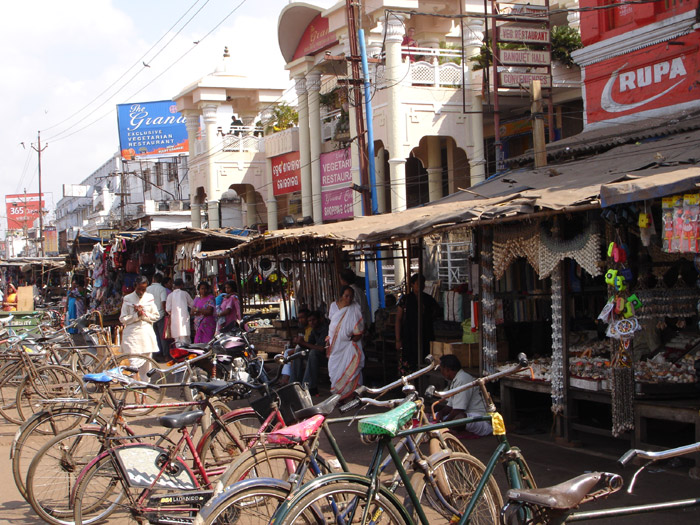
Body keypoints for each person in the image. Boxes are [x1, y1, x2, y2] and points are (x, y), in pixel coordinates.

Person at [435, 354, 492, 437]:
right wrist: (441, 413)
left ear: (447, 369)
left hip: (480, 418)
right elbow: (450, 406)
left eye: (442, 369)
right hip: (468, 415)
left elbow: (458, 410)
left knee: (459, 418)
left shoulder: (463, 379)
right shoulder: (456, 380)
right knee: (438, 415)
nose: (441, 372)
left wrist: (443, 424)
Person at [395, 273, 441, 373]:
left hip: (426, 335)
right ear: (412, 284)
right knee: (409, 362)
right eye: (418, 283)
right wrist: (398, 339)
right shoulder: (405, 300)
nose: (421, 286)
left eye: (423, 283)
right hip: (409, 336)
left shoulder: (428, 299)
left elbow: (437, 312)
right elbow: (398, 319)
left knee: (426, 360)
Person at [326, 286, 364, 399]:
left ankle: (355, 395)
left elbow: (360, 328)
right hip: (335, 345)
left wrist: (353, 339)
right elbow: (332, 323)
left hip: (351, 343)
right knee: (334, 368)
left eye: (351, 296)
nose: (349, 299)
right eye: (346, 296)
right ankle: (339, 396)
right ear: (341, 296)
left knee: (354, 367)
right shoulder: (333, 306)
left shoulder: (355, 307)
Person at [119, 276, 160, 375]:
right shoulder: (128, 299)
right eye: (139, 289)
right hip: (132, 335)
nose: (141, 292)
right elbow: (122, 319)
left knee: (146, 366)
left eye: (144, 289)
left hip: (146, 335)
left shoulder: (149, 297)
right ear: (134, 286)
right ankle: (132, 385)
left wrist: (144, 314)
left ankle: (144, 387)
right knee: (133, 363)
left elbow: (156, 316)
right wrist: (136, 315)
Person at [279, 308, 311, 386]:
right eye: (299, 318)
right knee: (287, 352)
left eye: (302, 318)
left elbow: (309, 345)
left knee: (292, 354)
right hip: (303, 348)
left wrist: (299, 344)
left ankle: (290, 379)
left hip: (307, 351)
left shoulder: (311, 329)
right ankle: (286, 377)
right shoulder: (305, 329)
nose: (300, 320)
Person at [301, 310, 330, 396]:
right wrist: (300, 343)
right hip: (318, 357)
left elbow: (322, 349)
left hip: (328, 358)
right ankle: (295, 382)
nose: (311, 322)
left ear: (320, 319)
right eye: (309, 321)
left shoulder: (325, 329)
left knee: (313, 354)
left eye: (314, 320)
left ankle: (310, 387)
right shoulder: (314, 330)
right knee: (299, 351)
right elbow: (309, 344)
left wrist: (303, 343)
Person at [339, 268, 370, 334]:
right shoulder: (359, 290)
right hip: (362, 321)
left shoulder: (351, 292)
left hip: (356, 323)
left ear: (343, 280)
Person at [147, 273, 169, 361]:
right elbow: (163, 302)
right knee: (162, 336)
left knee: (153, 336)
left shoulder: (147, 289)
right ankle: (165, 355)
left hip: (150, 316)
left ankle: (155, 354)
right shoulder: (162, 289)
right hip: (160, 315)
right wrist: (166, 313)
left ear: (153, 279)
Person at [166, 278, 194, 345]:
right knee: (186, 340)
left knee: (177, 340)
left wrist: (173, 314)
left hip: (174, 320)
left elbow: (168, 309)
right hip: (184, 320)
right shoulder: (185, 293)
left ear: (174, 285)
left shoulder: (170, 295)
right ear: (182, 285)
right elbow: (192, 304)